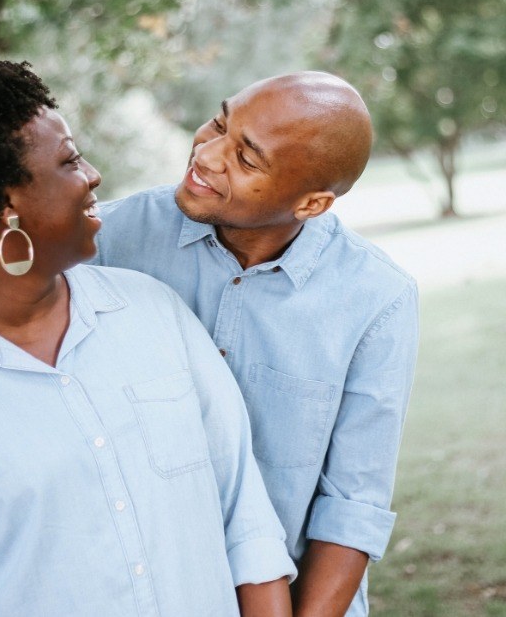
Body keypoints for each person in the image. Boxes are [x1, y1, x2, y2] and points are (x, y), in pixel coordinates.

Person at [0, 60, 298, 616]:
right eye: (70, 160)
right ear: (5, 206)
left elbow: (247, 526)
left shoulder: (155, 313)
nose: (93, 174)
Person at [94, 72, 419, 616]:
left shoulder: (378, 299)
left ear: (312, 204)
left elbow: (352, 505)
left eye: (246, 159)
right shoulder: (106, 243)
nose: (208, 154)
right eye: (220, 124)